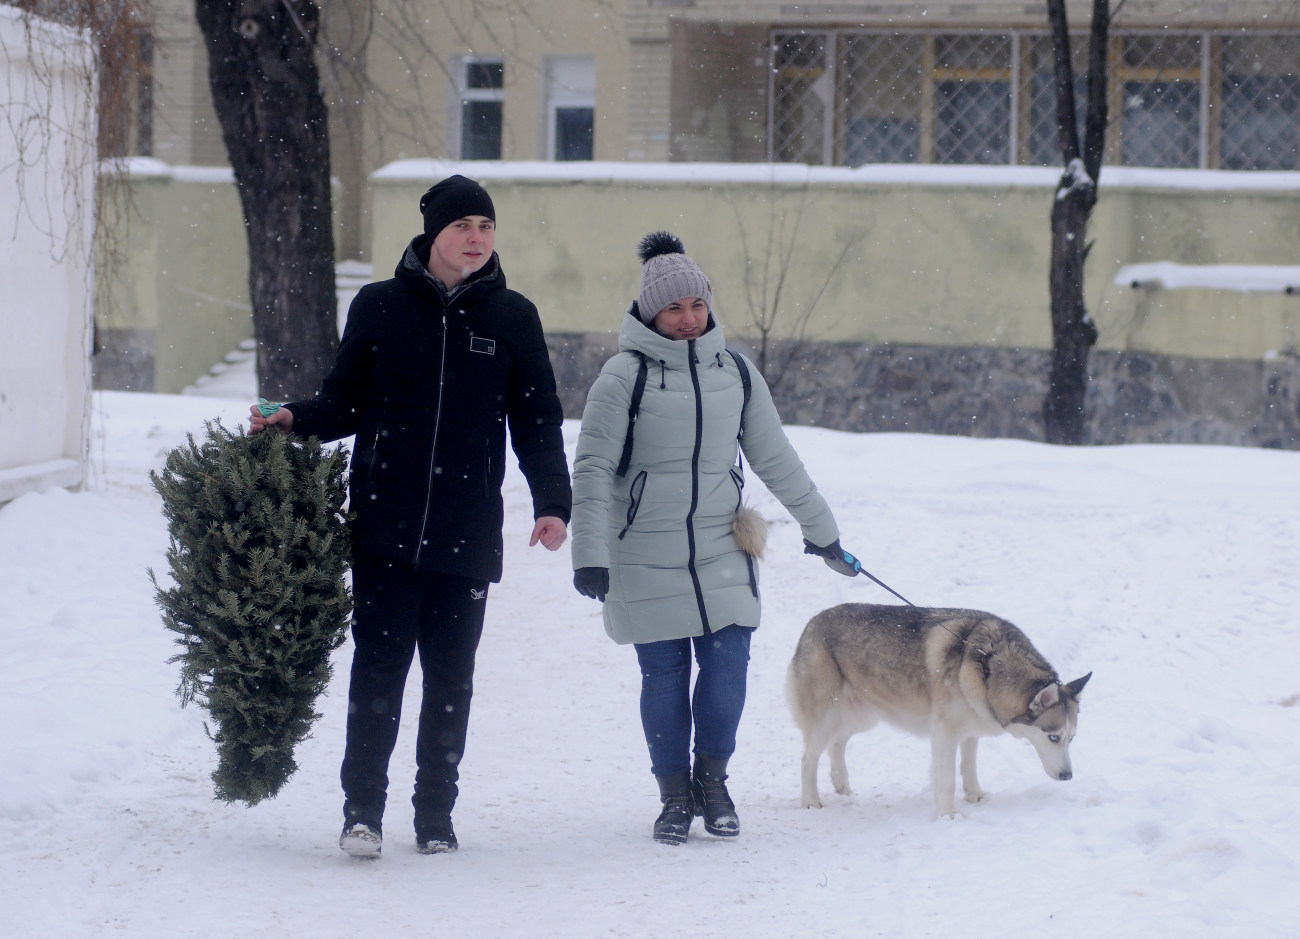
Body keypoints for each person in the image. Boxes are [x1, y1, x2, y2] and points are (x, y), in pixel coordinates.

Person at [250, 174, 571, 859]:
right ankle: (363, 811)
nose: (476, 238)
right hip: (385, 525)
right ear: (433, 234)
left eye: (485, 226)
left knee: (451, 679)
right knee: (379, 670)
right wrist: (294, 417)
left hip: (466, 530)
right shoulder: (379, 307)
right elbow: (345, 401)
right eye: (463, 227)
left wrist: (551, 502)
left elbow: (537, 421)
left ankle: (435, 815)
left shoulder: (513, 317)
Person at [569, 232, 859, 845]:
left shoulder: (736, 373)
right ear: (650, 311)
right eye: (673, 308)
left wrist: (823, 534)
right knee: (665, 677)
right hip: (643, 552)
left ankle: (714, 781)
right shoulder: (623, 378)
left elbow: (775, 458)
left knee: (729, 667)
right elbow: (593, 467)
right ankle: (674, 795)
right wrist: (589, 554)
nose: (688, 318)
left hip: (723, 549)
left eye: (696, 304)